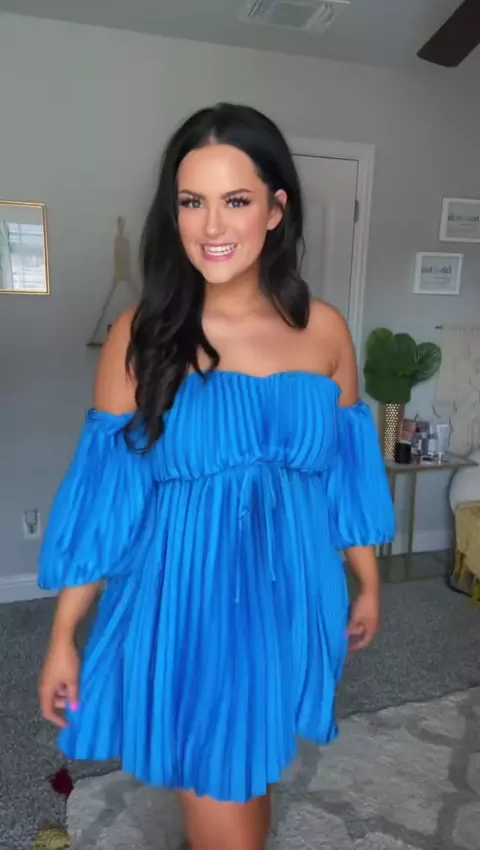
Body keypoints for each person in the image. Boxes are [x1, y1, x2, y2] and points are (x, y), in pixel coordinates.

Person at [38, 103, 395, 850]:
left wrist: (366, 580)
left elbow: (346, 473)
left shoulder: (325, 331)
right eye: (191, 202)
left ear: (275, 209)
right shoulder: (143, 334)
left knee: (254, 765)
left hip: (292, 593)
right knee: (220, 784)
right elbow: (108, 499)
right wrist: (65, 633)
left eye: (236, 200)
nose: (211, 226)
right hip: (190, 598)